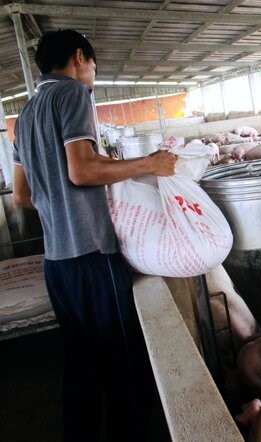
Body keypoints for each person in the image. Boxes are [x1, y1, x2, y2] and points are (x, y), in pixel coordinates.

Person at [12, 29, 177, 441]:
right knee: (123, 364)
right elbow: (82, 170)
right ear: (79, 57)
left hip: (58, 264)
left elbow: (21, 195)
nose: (92, 75)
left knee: (81, 366)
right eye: (93, 67)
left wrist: (59, 204)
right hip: (91, 255)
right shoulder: (71, 94)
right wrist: (149, 165)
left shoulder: (27, 113)